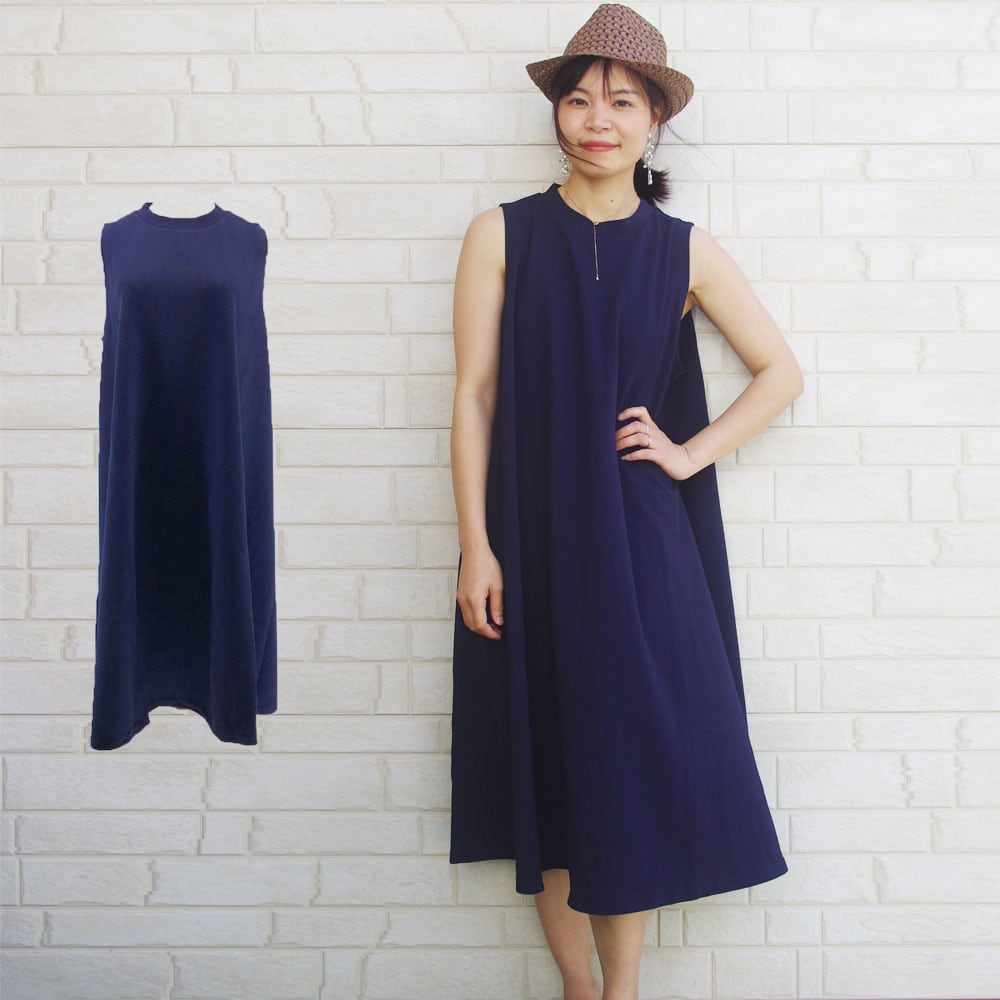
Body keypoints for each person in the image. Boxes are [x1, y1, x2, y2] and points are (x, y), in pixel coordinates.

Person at [448, 6, 803, 999]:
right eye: (578, 99)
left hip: (639, 544)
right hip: (529, 535)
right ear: (557, 113)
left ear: (654, 121)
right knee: (551, 759)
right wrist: (476, 544)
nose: (596, 119)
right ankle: (578, 988)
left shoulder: (684, 250)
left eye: (621, 102)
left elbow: (780, 372)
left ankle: (624, 991)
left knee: (625, 767)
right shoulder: (500, 232)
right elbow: (474, 394)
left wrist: (689, 453)